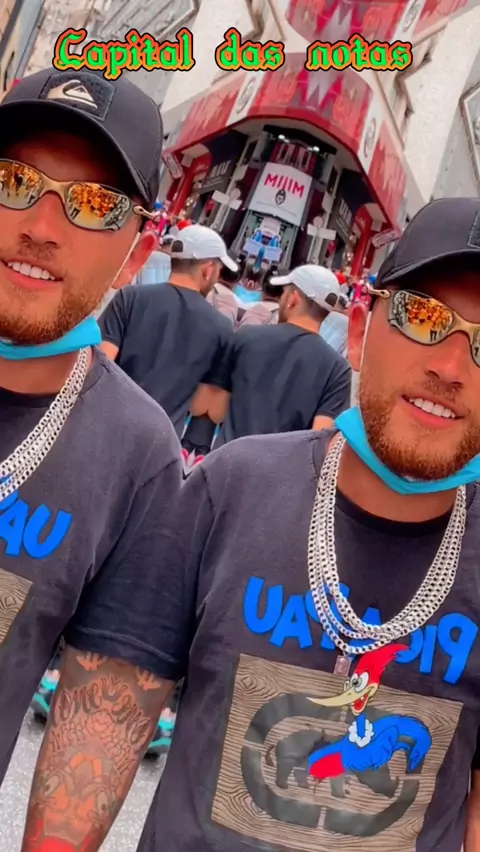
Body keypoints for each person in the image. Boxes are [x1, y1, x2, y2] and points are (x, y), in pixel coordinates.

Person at [124, 197, 480, 852]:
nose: (450, 367)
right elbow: (111, 717)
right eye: (423, 316)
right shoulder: (226, 491)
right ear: (356, 329)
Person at [0, 67, 183, 850]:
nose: (42, 226)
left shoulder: (137, 454)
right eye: (13, 181)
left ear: (137, 252)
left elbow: (94, 736)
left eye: (95, 204)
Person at [99, 223, 235, 437]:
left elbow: (99, 362)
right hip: (160, 440)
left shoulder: (130, 297)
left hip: (106, 422)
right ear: (207, 270)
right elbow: (203, 406)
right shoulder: (222, 328)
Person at [205, 264, 351, 444]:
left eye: (284, 293)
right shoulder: (338, 369)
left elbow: (215, 410)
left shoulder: (247, 337)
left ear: (293, 298)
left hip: (227, 455)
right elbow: (319, 440)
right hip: (284, 462)